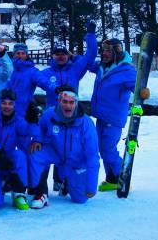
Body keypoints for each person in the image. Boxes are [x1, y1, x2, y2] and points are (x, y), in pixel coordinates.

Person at [41, 21, 97, 191]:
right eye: (57, 54)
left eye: (63, 54)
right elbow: (31, 81)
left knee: (69, 147)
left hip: (72, 116)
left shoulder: (74, 70)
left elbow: (90, 56)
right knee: (52, 146)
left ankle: (67, 180)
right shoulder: (46, 73)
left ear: (68, 56)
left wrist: (90, 35)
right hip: (53, 118)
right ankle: (50, 182)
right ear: (52, 56)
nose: (60, 57)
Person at [88, 38, 147, 192]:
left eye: (108, 51)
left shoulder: (126, 70)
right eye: (103, 50)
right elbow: (88, 63)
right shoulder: (103, 66)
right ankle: (112, 179)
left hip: (113, 118)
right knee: (102, 148)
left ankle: (123, 175)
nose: (104, 54)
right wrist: (73, 58)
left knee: (108, 149)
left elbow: (136, 86)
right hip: (101, 116)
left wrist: (141, 92)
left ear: (116, 52)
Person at [28, 86, 99, 208]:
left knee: (80, 199)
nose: (68, 106)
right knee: (35, 152)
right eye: (65, 102)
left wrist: (91, 186)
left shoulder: (86, 123)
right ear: (59, 102)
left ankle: (67, 182)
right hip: (56, 153)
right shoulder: (50, 114)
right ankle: (40, 192)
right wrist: (38, 139)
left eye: (71, 102)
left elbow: (93, 156)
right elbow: (40, 127)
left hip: (75, 162)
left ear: (76, 104)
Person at [0, 89, 38, 210]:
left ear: (14, 105)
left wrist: (32, 121)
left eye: (10, 103)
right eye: (4, 103)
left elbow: (29, 131)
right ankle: (0, 185)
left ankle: (19, 193)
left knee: (19, 155)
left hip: (7, 162)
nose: (7, 106)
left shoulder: (17, 120)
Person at [6, 43, 55, 118]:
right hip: (5, 110)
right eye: (18, 53)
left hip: (22, 112)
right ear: (14, 54)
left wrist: (56, 88)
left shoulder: (32, 71)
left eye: (23, 53)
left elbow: (43, 81)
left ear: (26, 55)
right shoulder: (9, 68)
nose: (20, 56)